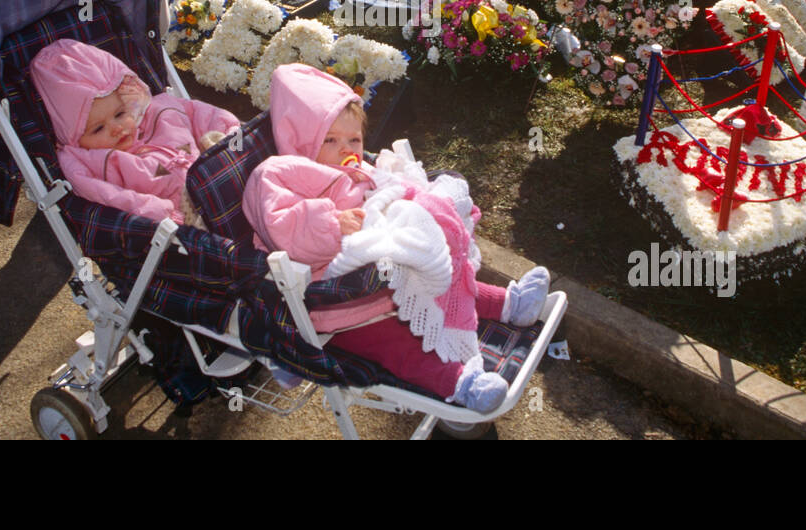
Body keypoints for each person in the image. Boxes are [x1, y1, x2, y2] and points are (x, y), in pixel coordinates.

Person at [242, 64, 551, 412]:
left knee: (442, 281)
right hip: (339, 303)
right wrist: (332, 224)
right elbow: (283, 229)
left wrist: (414, 199)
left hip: (386, 276)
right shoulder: (277, 175)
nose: (347, 149)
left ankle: (511, 303)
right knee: (397, 345)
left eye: (354, 139)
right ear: (302, 139)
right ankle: (462, 382)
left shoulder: (355, 169)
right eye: (329, 140)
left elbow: (387, 193)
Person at [30, 38, 239, 226]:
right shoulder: (86, 162)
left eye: (120, 114)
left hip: (221, 180)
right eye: (99, 128)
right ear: (76, 138)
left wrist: (228, 136)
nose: (117, 128)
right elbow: (116, 199)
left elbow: (203, 114)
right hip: (185, 216)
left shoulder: (160, 112)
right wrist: (166, 215)